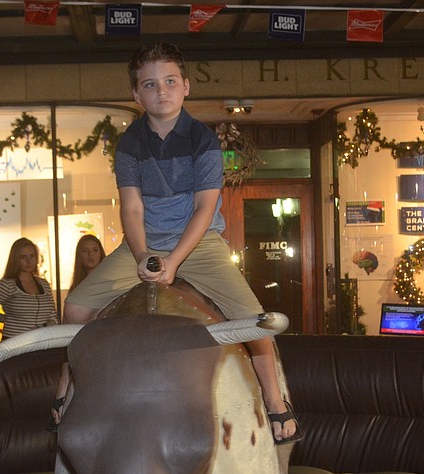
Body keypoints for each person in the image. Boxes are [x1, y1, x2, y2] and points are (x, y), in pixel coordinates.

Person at [58, 42, 300, 445]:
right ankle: (66, 387)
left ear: (186, 86)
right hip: (145, 242)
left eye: (170, 81)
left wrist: (175, 260)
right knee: (76, 305)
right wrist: (143, 255)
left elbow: (205, 209)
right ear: (137, 95)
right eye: (150, 85)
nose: (161, 91)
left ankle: (275, 401)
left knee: (255, 321)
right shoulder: (130, 144)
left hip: (199, 242)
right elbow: (132, 209)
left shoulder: (203, 140)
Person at [49, 234, 106, 430]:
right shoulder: (75, 294)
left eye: (95, 250)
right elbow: (68, 343)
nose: (91, 255)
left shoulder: (115, 285)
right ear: (79, 256)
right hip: (84, 361)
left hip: (111, 359)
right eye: (85, 251)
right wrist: (61, 392)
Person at [0, 238, 58, 338]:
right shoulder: (8, 285)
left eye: (32, 256)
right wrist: (7, 319)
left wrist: (49, 328)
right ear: (15, 259)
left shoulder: (44, 284)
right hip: (15, 341)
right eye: (23, 257)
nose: (28, 261)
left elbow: (52, 315)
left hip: (41, 341)